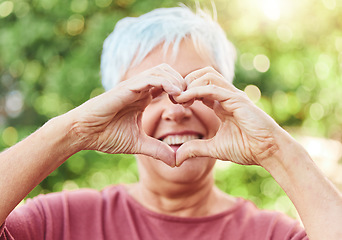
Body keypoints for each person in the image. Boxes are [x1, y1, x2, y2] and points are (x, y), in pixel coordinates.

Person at [0, 6, 341, 240]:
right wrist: (74, 132)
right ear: (113, 105)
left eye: (198, 87)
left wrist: (275, 149)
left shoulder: (272, 234)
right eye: (149, 91)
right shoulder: (56, 223)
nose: (177, 110)